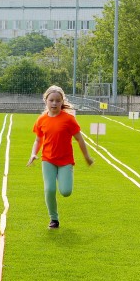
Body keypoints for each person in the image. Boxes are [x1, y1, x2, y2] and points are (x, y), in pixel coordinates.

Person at [28, 85, 94, 229]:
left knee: (65, 192)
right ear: (46, 101)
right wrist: (33, 153)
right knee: (49, 189)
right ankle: (54, 219)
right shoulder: (41, 119)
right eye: (51, 100)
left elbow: (80, 139)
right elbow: (38, 140)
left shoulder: (68, 119)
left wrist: (87, 157)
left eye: (58, 100)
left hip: (65, 161)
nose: (54, 103)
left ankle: (63, 176)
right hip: (48, 160)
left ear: (62, 101)